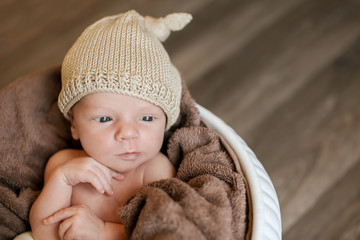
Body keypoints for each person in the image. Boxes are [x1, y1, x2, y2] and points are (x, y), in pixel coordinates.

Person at [29, 10, 192, 240]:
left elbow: (167, 230)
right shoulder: (64, 166)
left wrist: (104, 232)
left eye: (146, 118)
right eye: (105, 119)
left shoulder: (155, 172)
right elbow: (43, 233)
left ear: (166, 121)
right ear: (74, 125)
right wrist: (62, 180)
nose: (127, 133)